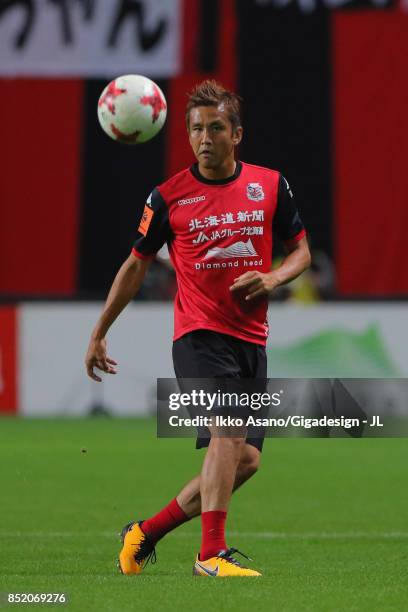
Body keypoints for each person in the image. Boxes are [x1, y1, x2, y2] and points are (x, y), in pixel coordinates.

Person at [85, 80, 311, 577]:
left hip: (252, 341)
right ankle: (211, 555)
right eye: (195, 129)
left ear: (237, 134)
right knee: (228, 432)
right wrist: (101, 330)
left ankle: (143, 533)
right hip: (198, 337)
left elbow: (302, 252)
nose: (204, 138)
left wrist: (273, 276)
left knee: (244, 460)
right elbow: (135, 265)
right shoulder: (167, 197)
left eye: (214, 128)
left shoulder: (270, 185)